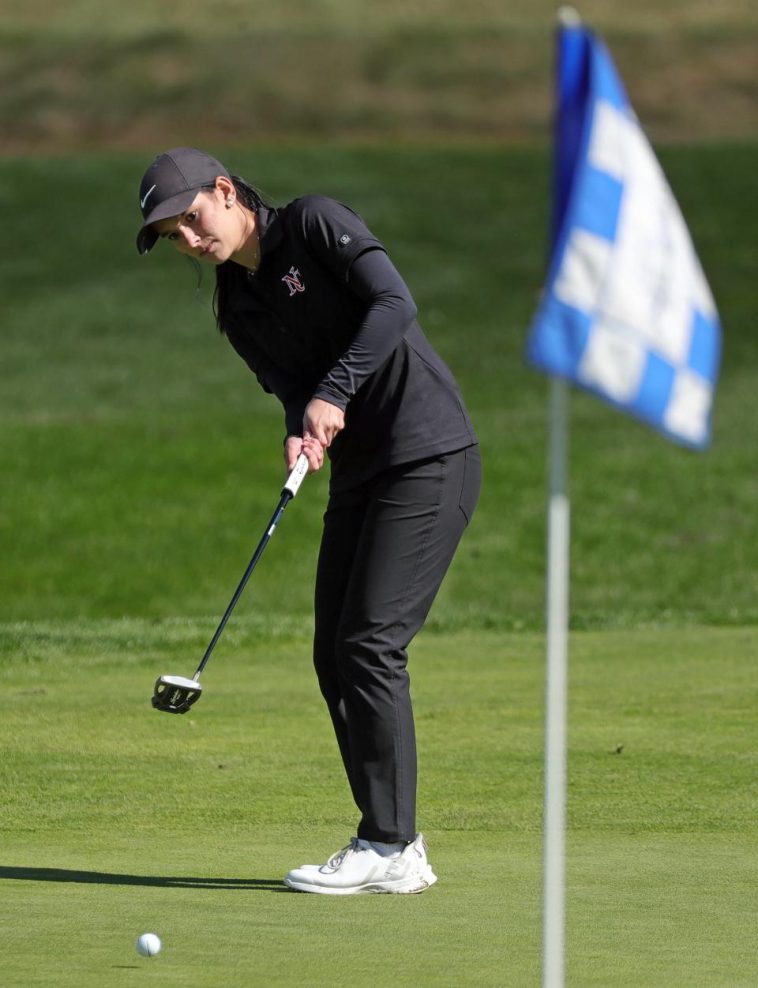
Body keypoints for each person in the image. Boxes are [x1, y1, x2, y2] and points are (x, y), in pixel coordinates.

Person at [136, 147, 481, 895]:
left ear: (224, 191)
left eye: (193, 219)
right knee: (334, 651)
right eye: (175, 238)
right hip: (360, 474)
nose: (192, 242)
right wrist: (301, 424)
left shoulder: (315, 223)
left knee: (371, 642)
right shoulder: (237, 307)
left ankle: (386, 843)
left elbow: (395, 304)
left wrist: (333, 391)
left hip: (428, 454)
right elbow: (295, 390)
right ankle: (396, 842)